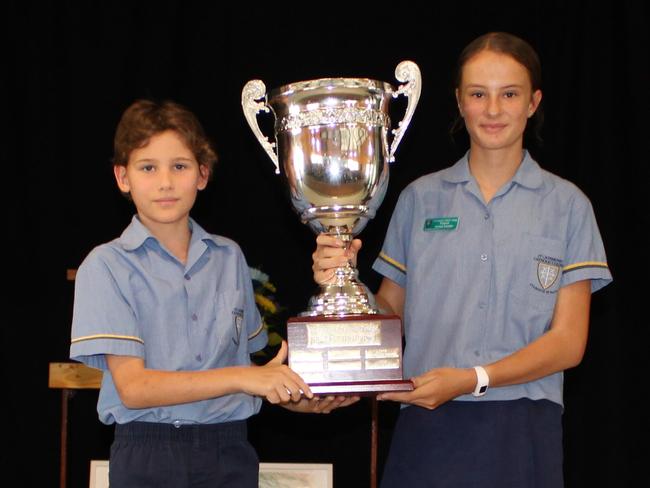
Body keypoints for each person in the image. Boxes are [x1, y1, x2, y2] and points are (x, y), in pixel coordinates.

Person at [312, 32, 612, 487]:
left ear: (533, 102)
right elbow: (392, 314)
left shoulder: (568, 206)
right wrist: (342, 285)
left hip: (524, 425)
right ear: (459, 102)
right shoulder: (420, 200)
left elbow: (569, 341)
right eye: (478, 94)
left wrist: (474, 378)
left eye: (508, 94)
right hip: (427, 422)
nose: (493, 110)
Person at [70, 99, 356, 488]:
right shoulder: (106, 266)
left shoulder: (229, 257)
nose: (166, 182)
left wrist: (296, 394)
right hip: (148, 455)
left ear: (202, 175)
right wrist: (245, 379)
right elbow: (134, 389)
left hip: (230, 450)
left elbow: (245, 375)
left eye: (180, 166)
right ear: (123, 178)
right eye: (148, 167)